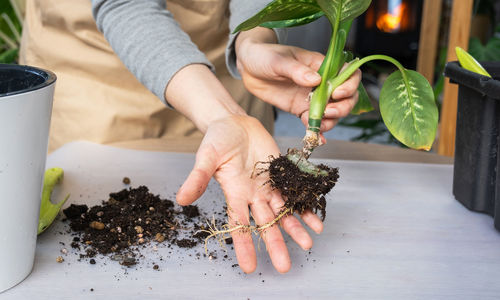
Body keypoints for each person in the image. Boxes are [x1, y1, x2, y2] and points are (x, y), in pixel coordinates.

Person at [20, 0, 361, 273]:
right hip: (94, 68)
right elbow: (122, 4)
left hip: (220, 62)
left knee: (243, 186)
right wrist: (221, 114)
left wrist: (252, 39)